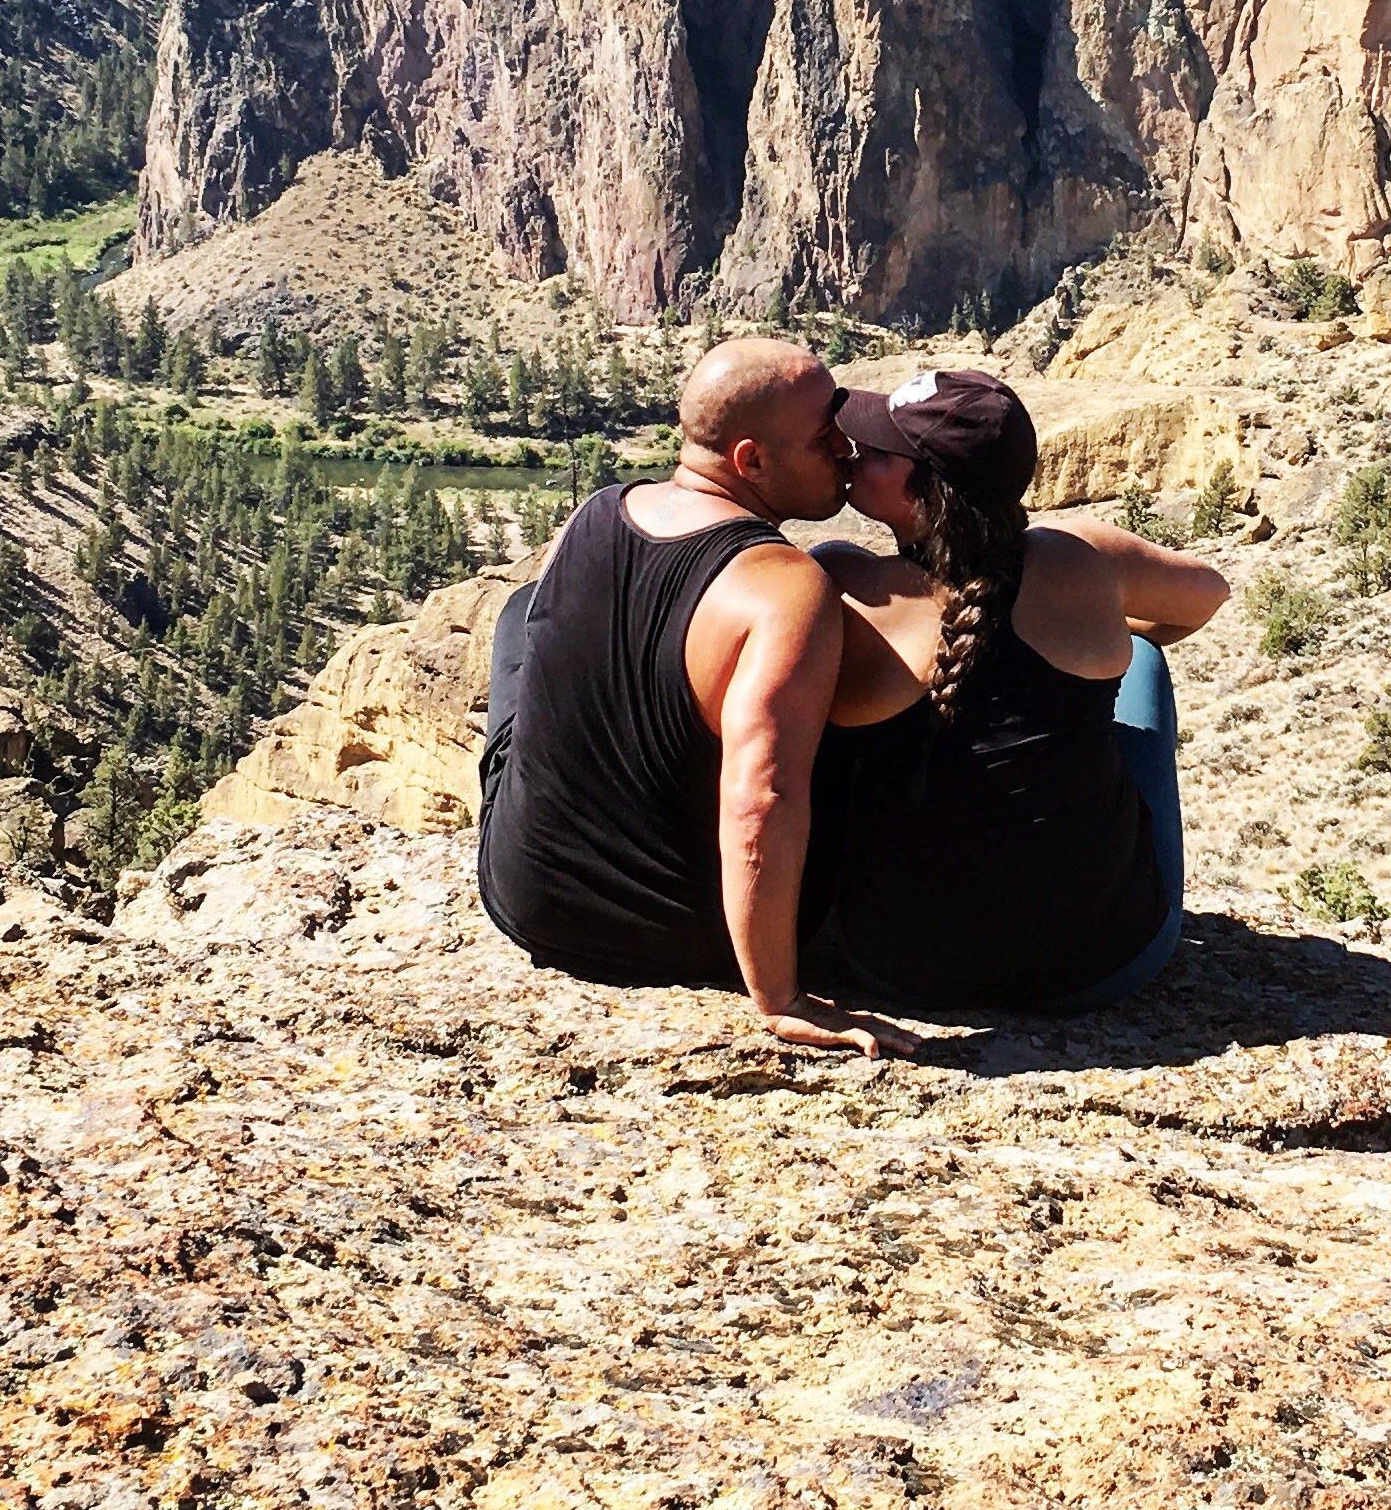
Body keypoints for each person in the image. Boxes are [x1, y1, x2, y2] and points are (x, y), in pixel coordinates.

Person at [477, 335, 902, 1056]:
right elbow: (761, 795)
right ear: (751, 462)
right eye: (824, 437)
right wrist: (780, 998)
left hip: (524, 899)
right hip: (673, 939)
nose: (846, 449)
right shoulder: (785, 585)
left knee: (523, 617)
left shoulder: (597, 511)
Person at [809, 367, 1228, 1014]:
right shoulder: (1081, 558)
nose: (855, 450)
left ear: (928, 494)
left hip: (898, 966)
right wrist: (1093, 637)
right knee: (1139, 659)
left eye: (881, 451)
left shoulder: (839, 584)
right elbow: (1208, 595)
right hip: (1102, 960)